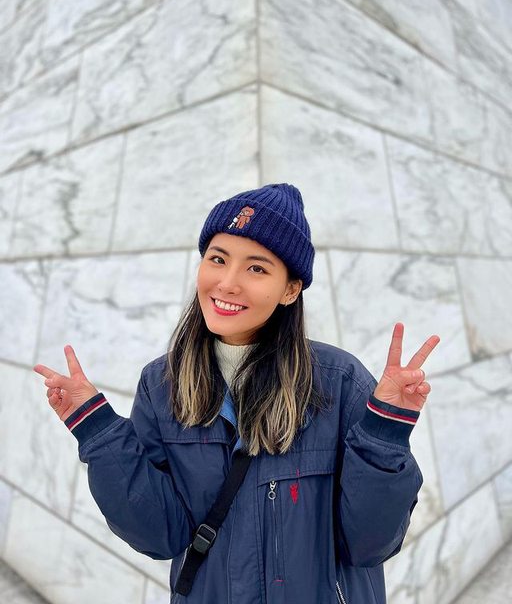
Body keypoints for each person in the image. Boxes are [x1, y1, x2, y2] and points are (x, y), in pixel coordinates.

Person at [33, 183, 440, 604]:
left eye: (256, 269)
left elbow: (370, 543)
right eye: (218, 259)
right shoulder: (161, 385)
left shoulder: (339, 383)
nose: (227, 283)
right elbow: (158, 534)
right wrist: (98, 430)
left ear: (290, 290)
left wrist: (384, 433)